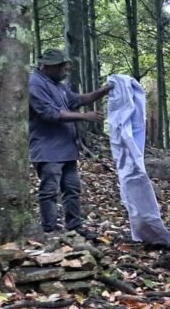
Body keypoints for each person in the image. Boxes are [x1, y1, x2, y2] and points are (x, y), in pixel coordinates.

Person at [28, 48, 112, 238]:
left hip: (67, 149)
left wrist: (103, 91)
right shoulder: (35, 84)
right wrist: (84, 117)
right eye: (62, 69)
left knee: (72, 188)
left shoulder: (58, 85)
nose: (65, 72)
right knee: (49, 190)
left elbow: (78, 99)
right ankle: (49, 229)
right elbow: (49, 114)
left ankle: (74, 227)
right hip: (47, 148)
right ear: (49, 67)